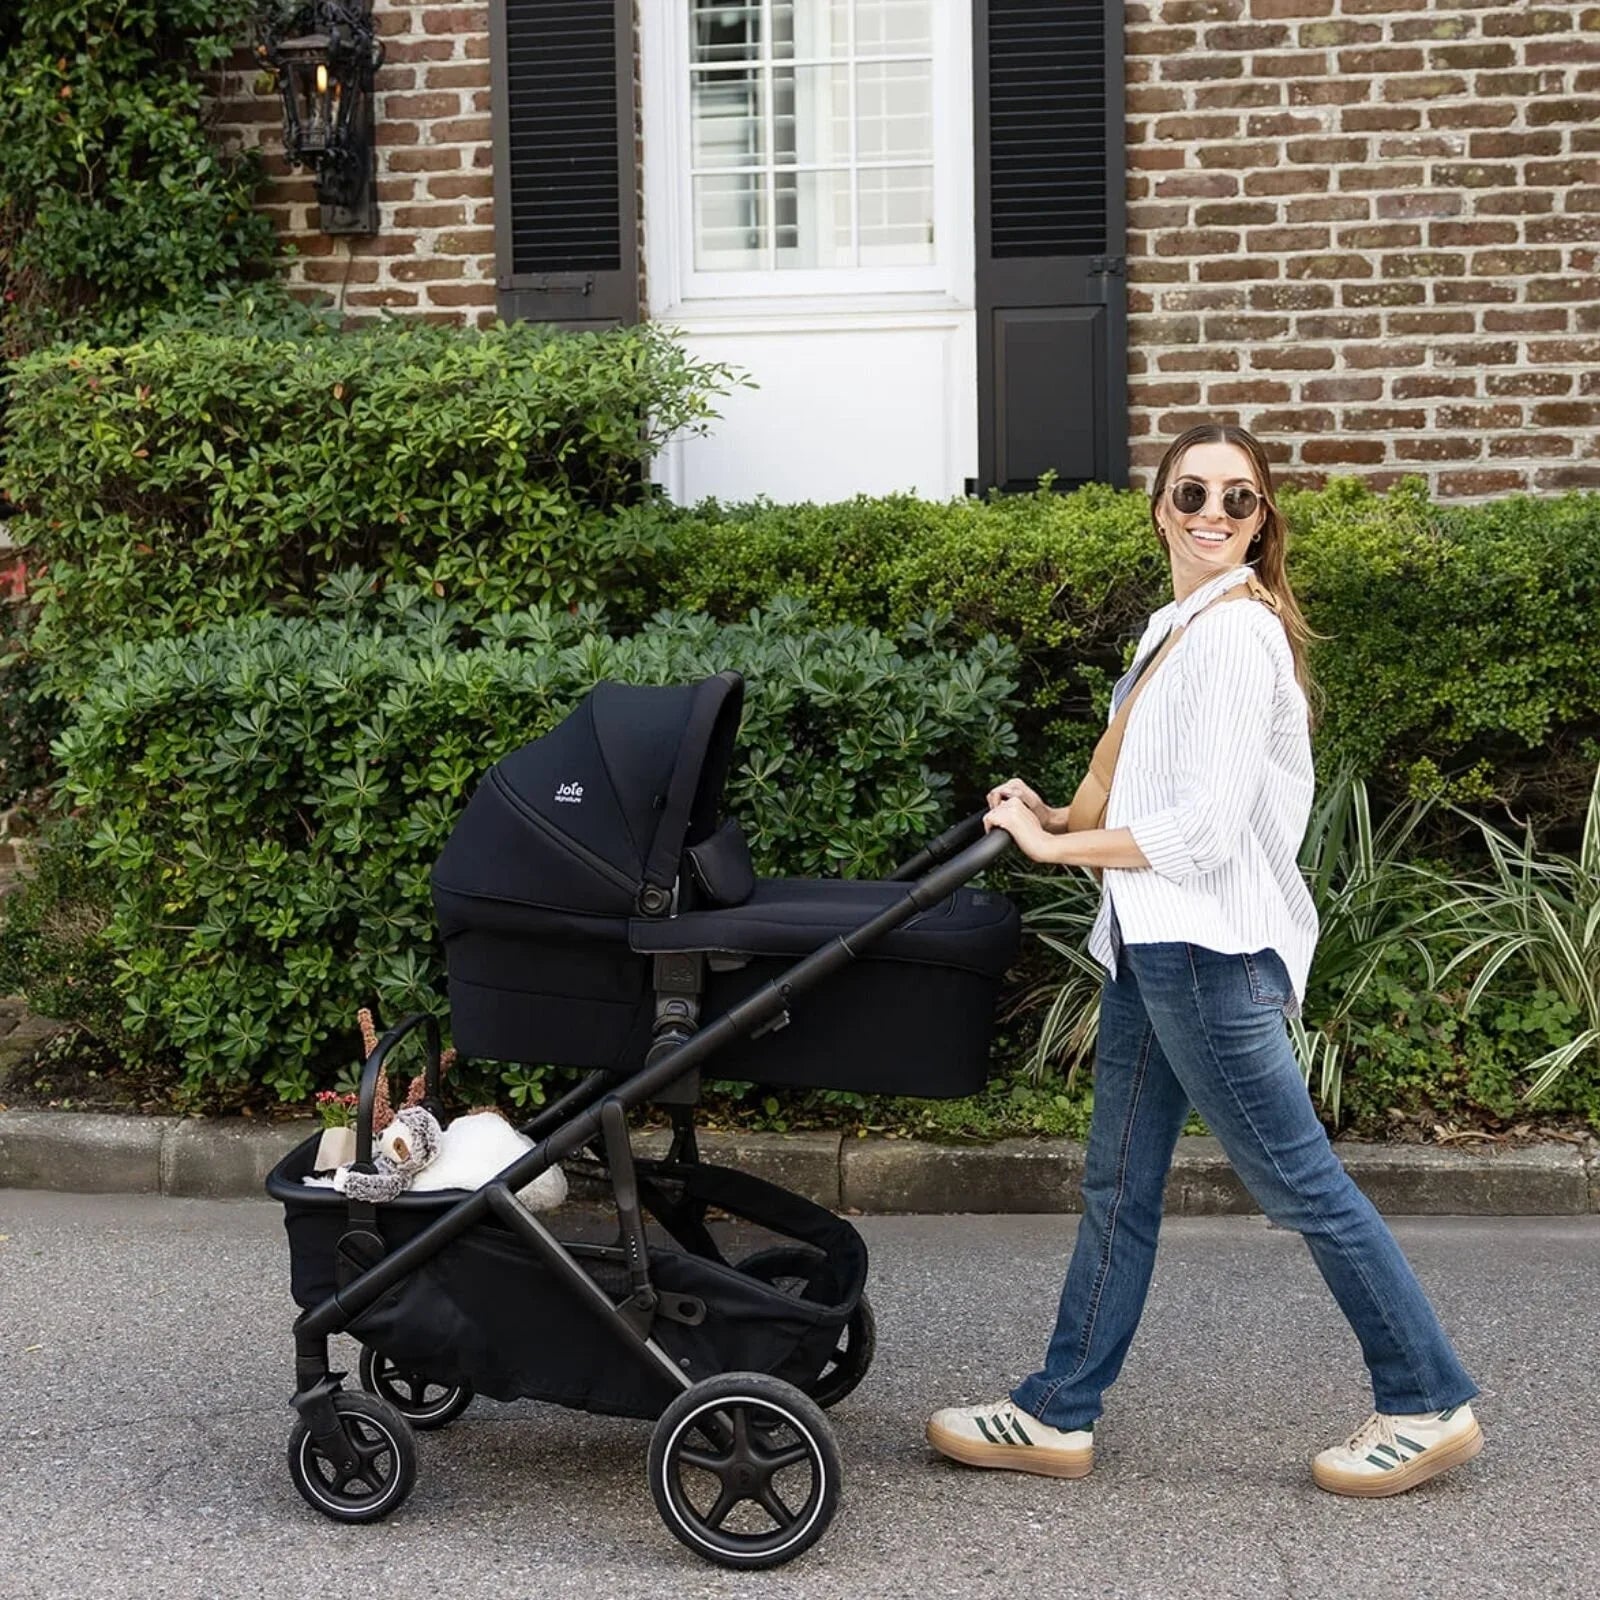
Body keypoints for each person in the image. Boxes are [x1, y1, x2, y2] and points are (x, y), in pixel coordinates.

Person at [926, 424, 1482, 1498]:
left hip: (1207, 953)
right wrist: (1057, 814)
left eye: (1239, 498)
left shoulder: (1233, 637)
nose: (1214, 513)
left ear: (1262, 519)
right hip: (1156, 947)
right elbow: (1139, 789)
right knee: (1118, 1186)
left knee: (1301, 1185)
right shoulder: (1176, 627)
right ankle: (1056, 1410)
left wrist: (1051, 850)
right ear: (1160, 510)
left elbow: (1206, 830)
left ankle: (1425, 1398)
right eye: (1193, 493)